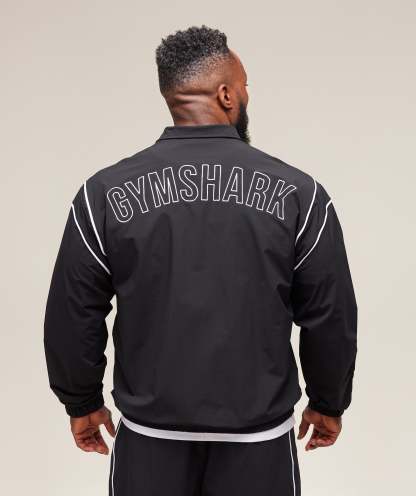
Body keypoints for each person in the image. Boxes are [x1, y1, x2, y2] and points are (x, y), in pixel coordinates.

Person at [44, 25, 358, 496]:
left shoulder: (102, 194)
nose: (248, 94)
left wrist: (81, 401)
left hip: (149, 442)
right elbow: (329, 313)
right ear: (227, 94)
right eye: (246, 85)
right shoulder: (300, 194)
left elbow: (73, 310)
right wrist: (328, 401)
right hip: (258, 444)